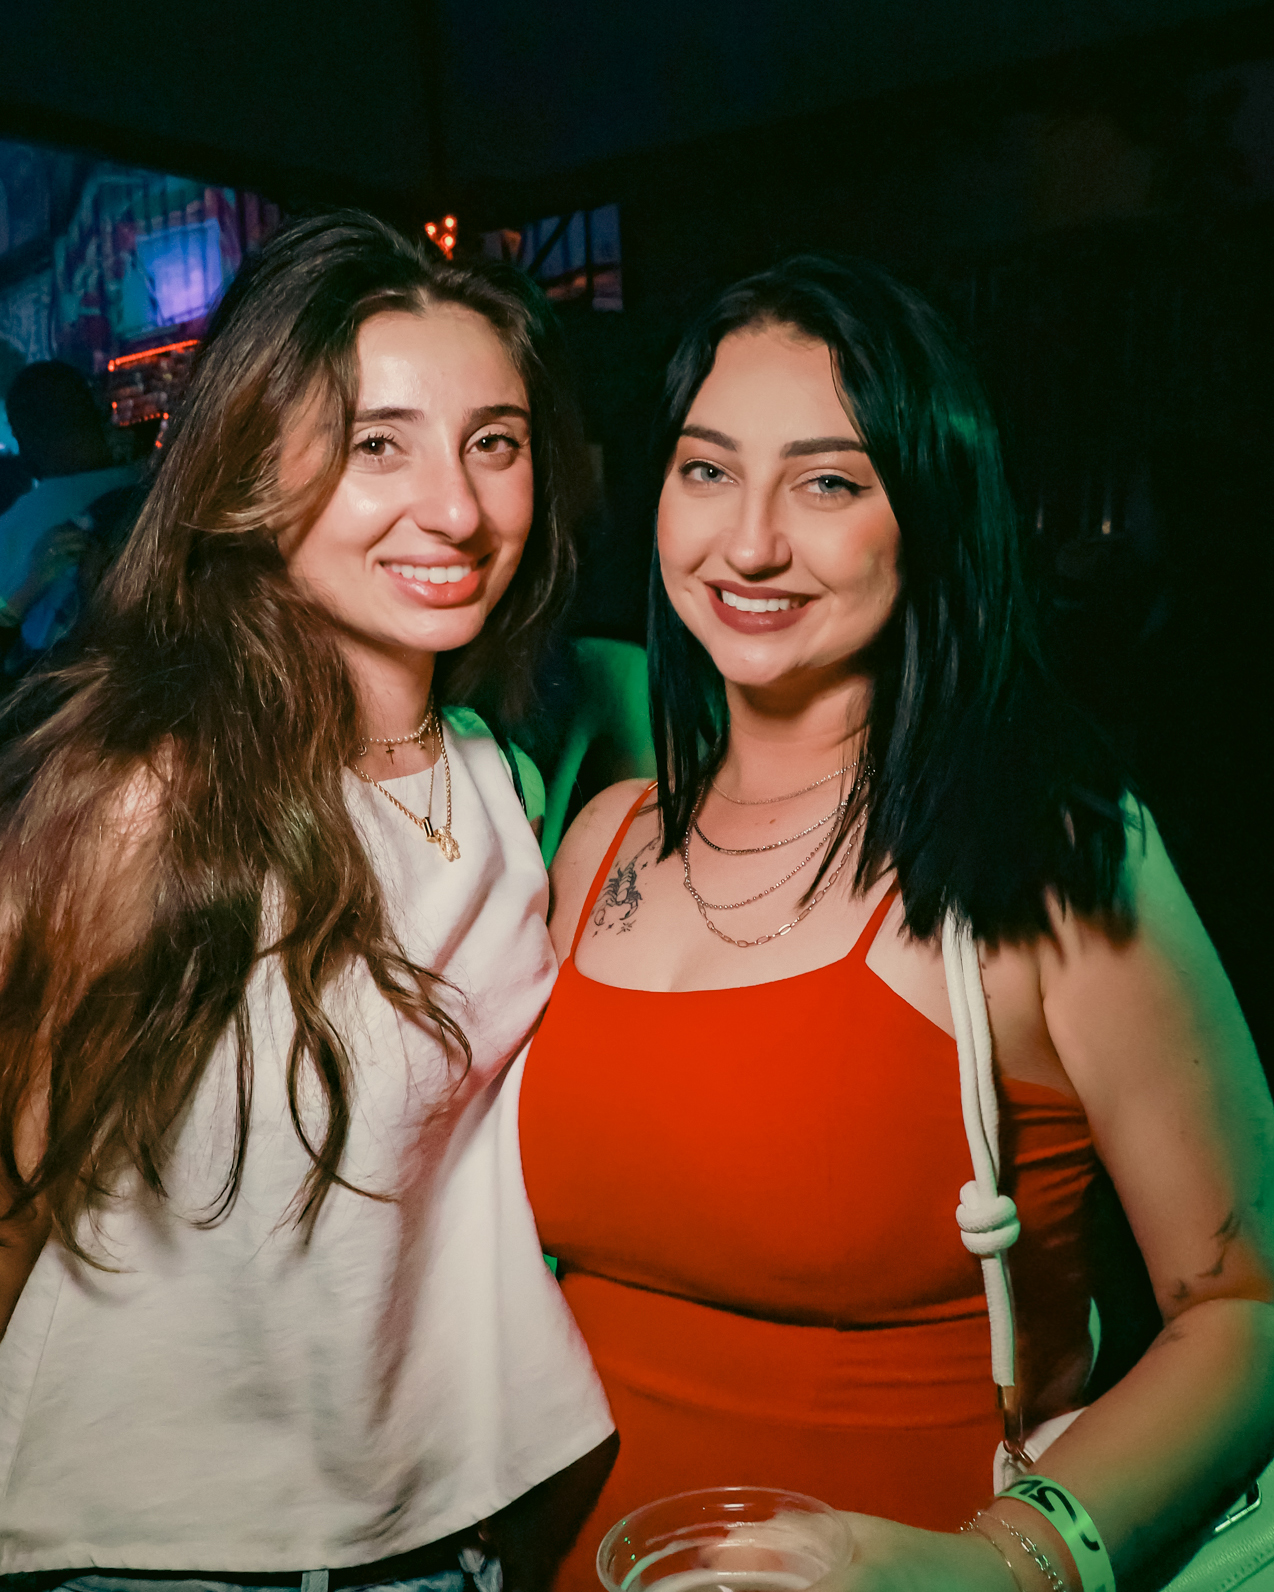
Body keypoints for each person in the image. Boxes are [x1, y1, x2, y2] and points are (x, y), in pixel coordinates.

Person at [518, 257, 1274, 1592]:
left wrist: (1002, 1564)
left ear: (924, 511)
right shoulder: (600, 845)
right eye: (706, 469)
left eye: (826, 482)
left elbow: (1245, 1307)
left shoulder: (1042, 857)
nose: (748, 542)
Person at [0, 212, 613, 1588]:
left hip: (440, 1542)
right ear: (248, 469)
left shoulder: (494, 777)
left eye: (494, 443)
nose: (454, 509)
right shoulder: (145, 798)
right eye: (376, 443)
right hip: (154, 1557)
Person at [0, 361, 141, 657]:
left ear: (23, 435)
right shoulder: (163, 489)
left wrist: (22, 596)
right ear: (97, 409)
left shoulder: (13, 531)